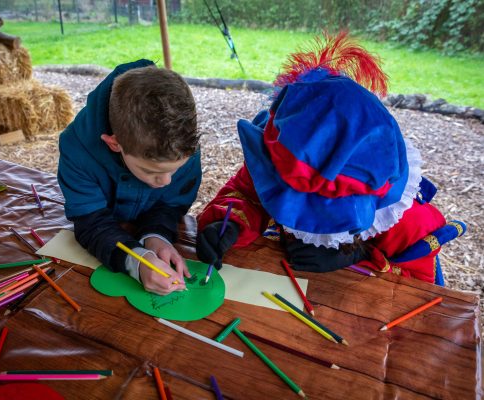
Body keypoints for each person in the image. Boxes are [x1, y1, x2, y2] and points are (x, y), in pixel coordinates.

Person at [196, 32, 465, 284]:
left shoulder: (405, 219)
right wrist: (229, 223)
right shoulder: (280, 156)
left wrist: (360, 258)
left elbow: (421, 291)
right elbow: (245, 193)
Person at [58, 60, 201, 295]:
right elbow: (90, 222)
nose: (166, 181)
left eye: (175, 170)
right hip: (104, 230)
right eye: (152, 172)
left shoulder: (182, 144)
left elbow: (173, 204)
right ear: (114, 144)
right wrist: (135, 260)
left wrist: (157, 236)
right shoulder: (77, 150)